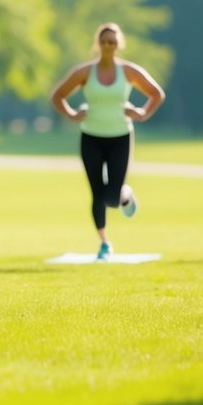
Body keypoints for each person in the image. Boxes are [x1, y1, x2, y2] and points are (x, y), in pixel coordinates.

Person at [50, 22, 166, 260]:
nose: (107, 46)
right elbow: (58, 95)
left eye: (112, 42)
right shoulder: (85, 73)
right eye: (103, 42)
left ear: (118, 45)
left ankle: (123, 193)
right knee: (96, 192)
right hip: (91, 136)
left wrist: (142, 113)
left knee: (111, 196)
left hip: (120, 137)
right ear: (98, 44)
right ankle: (104, 242)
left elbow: (156, 94)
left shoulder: (128, 72)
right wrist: (72, 114)